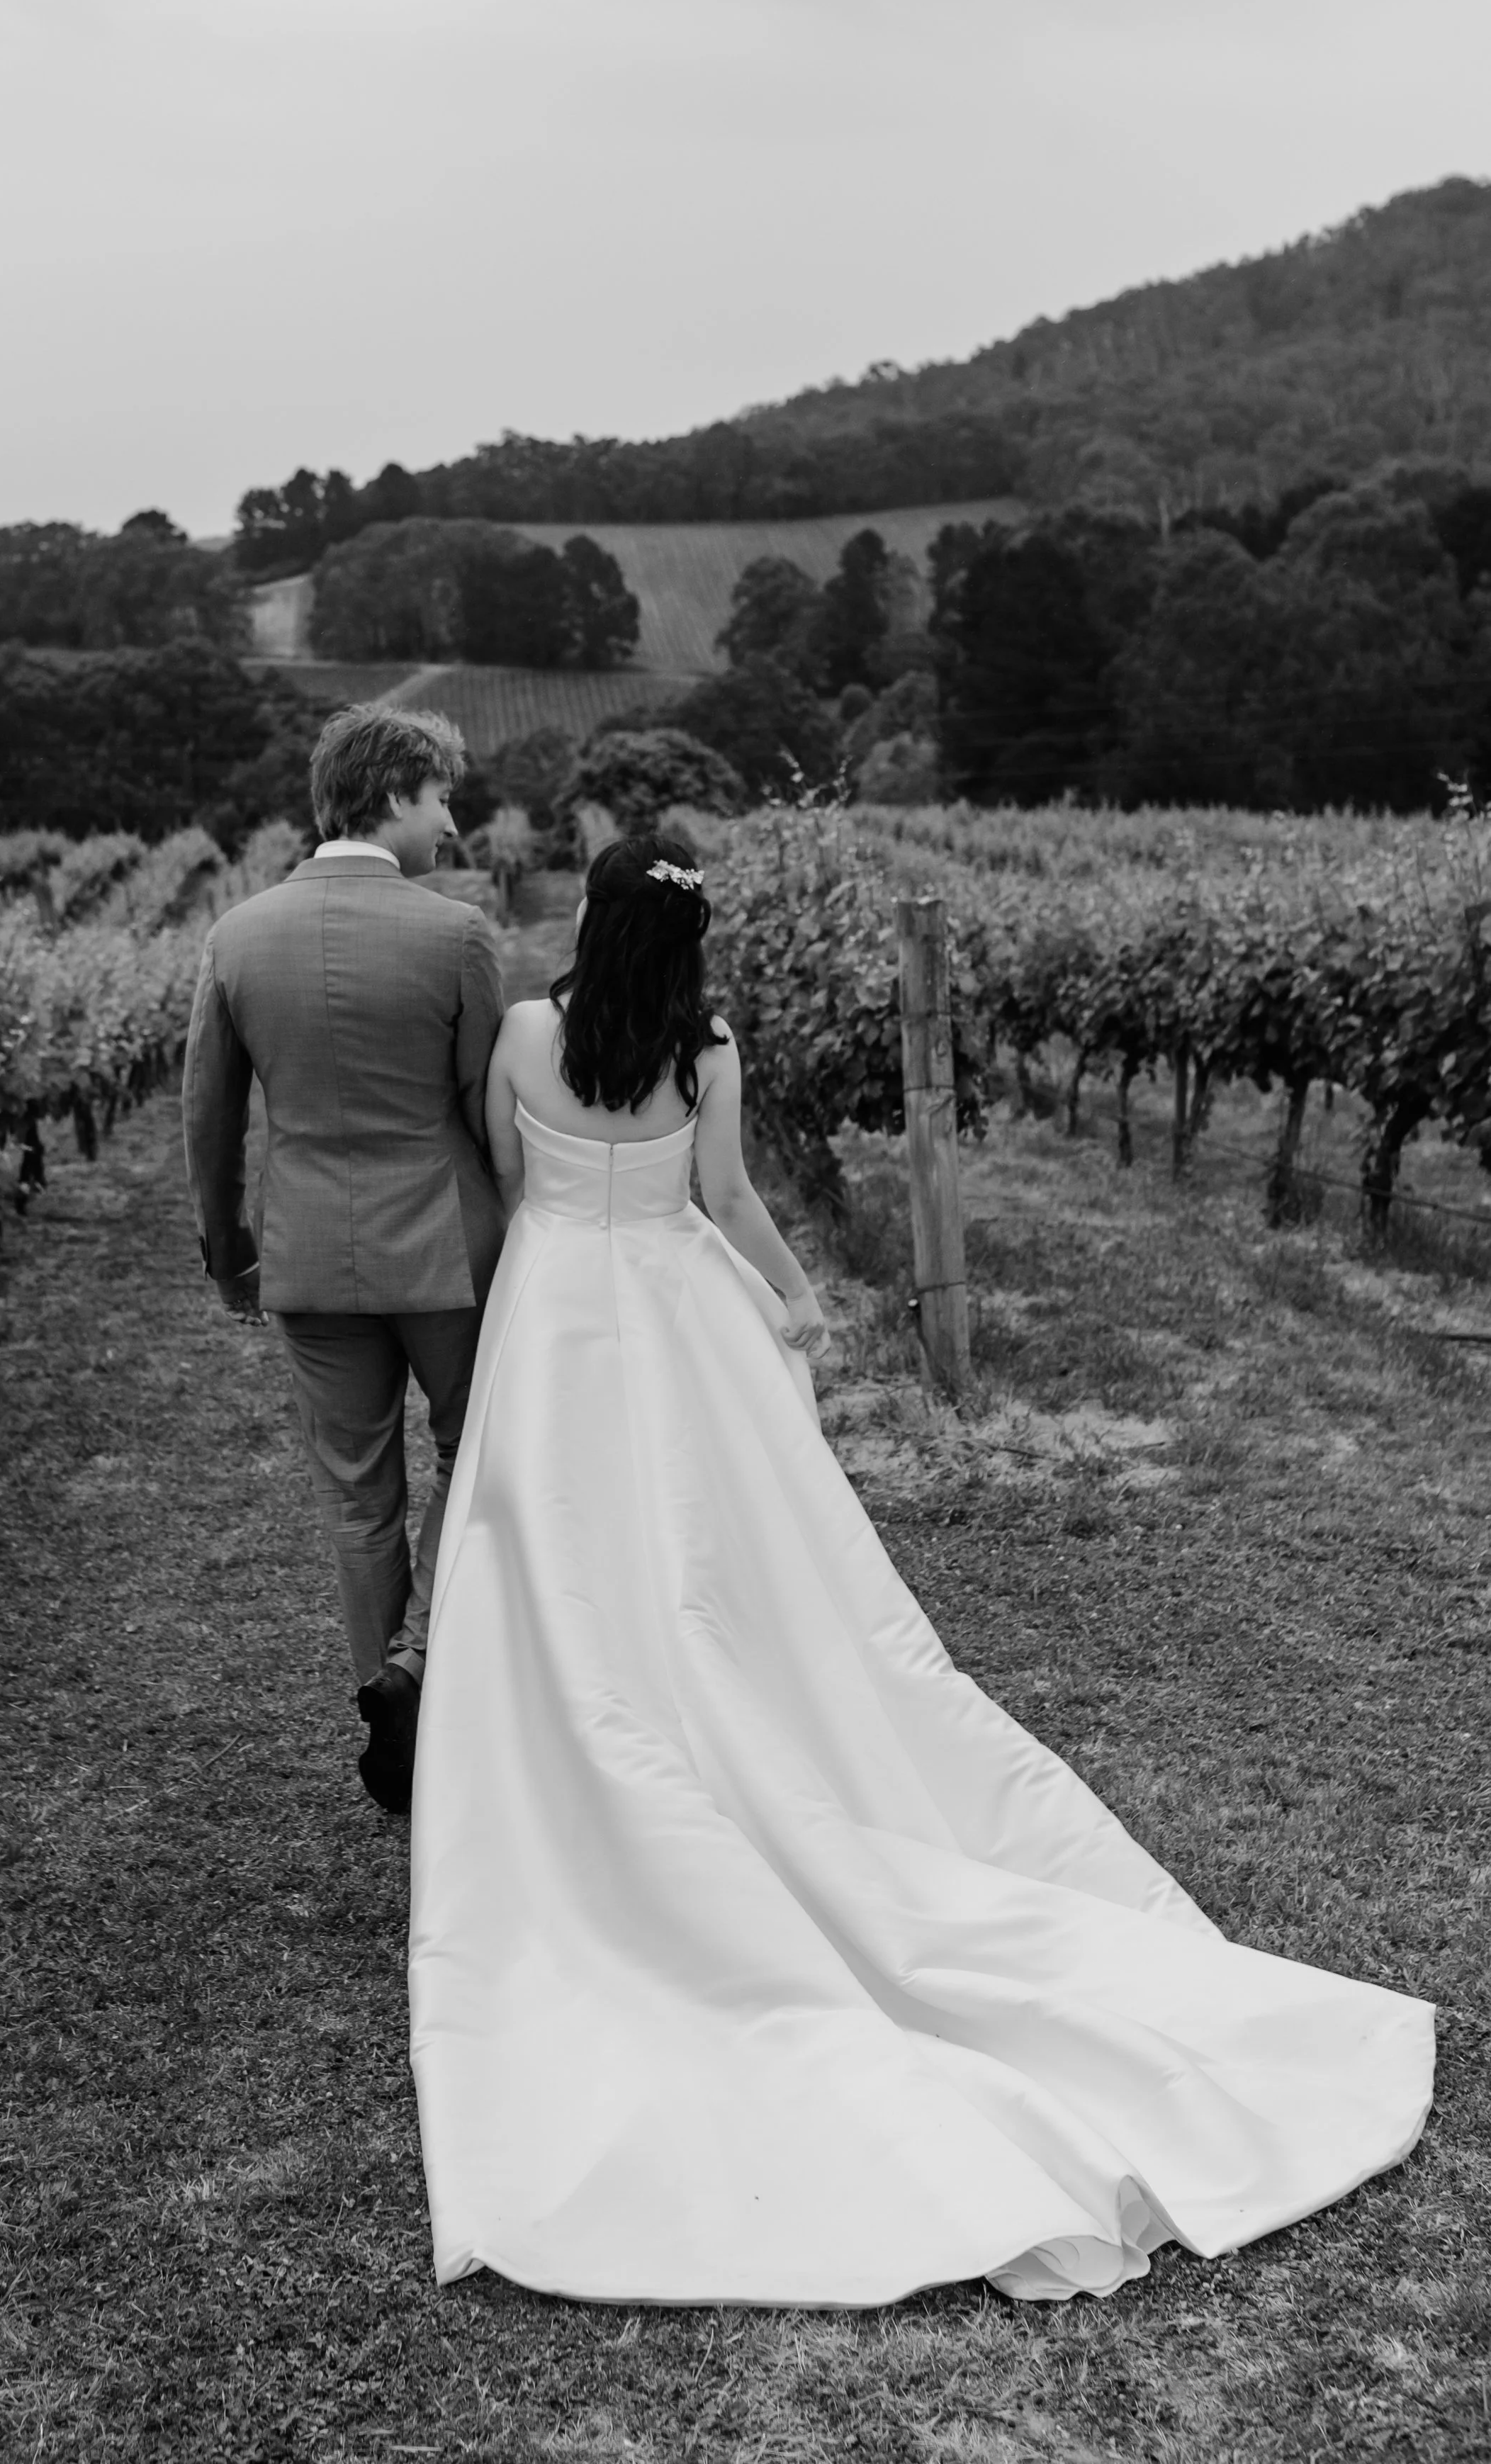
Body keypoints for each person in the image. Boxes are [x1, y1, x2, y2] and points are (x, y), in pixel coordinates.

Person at [407, 832, 1433, 2307]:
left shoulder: (517, 1033)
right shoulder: (705, 1048)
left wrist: (572, 1230)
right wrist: (798, 1304)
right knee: (719, 1552)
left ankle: (571, 1756)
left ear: (587, 917)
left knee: (550, 1551)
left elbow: (513, 1183)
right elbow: (722, 1201)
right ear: (685, 941)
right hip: (675, 1310)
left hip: (554, 1308)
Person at [182, 703, 505, 1814]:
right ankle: (427, 1662)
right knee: (476, 1456)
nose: (451, 822)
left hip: (308, 1254)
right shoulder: (455, 934)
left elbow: (209, 1123)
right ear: (394, 792)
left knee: (358, 1494)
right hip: (450, 1253)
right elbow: (484, 1109)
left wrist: (232, 1255)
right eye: (442, 796)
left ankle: (383, 1693)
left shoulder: (236, 935)